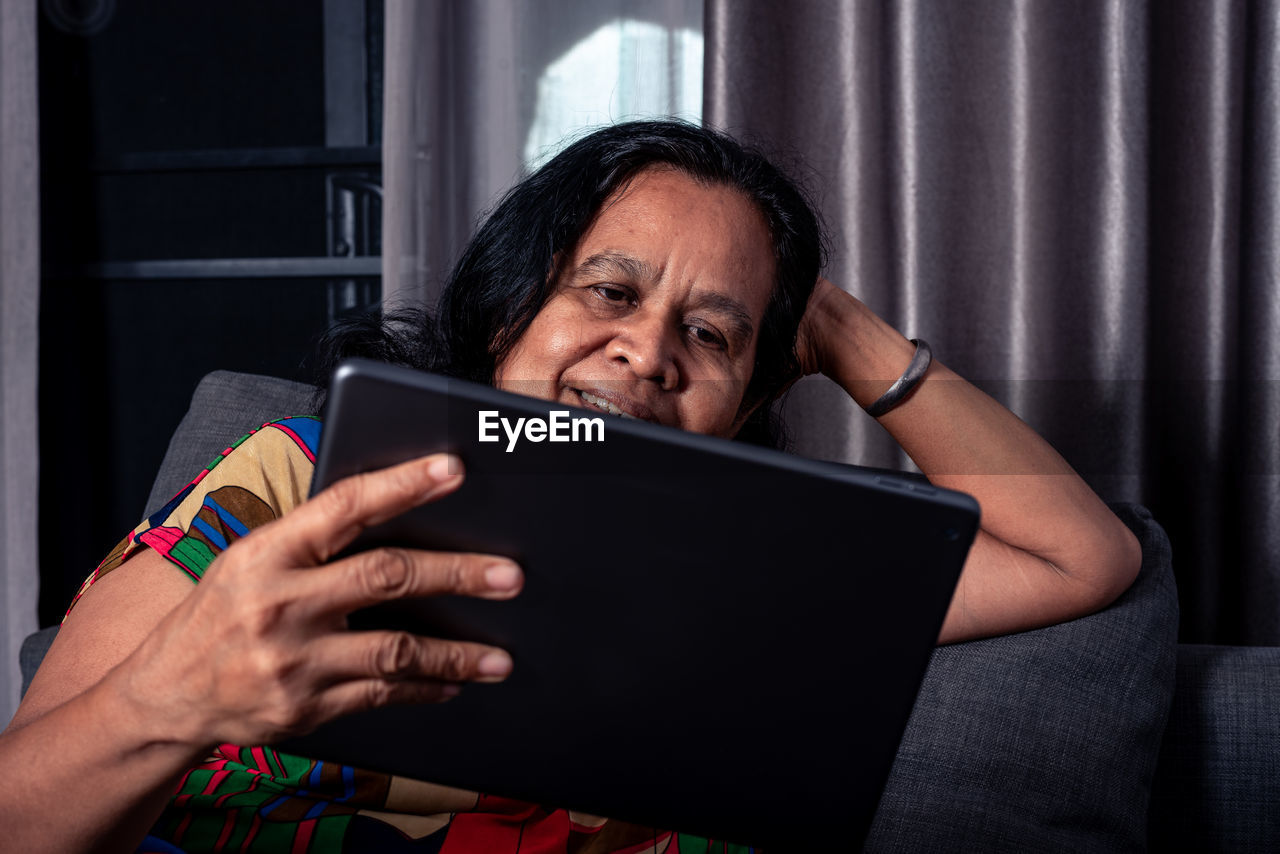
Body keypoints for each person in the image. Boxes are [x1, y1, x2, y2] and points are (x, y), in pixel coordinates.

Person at [1, 121, 1141, 852]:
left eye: (707, 331)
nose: (647, 353)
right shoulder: (294, 478)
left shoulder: (777, 560)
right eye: (607, 291)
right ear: (510, 311)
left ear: (745, 399)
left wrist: (835, 326)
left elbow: (1078, 555)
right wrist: (173, 696)